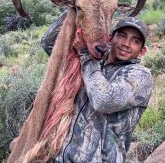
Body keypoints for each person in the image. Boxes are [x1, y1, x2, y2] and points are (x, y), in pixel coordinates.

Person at [41, 15, 153, 163]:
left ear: (142, 51)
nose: (126, 44)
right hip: (61, 157)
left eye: (135, 41)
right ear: (110, 38)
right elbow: (49, 43)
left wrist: (86, 56)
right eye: (121, 35)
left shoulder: (140, 76)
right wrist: (77, 8)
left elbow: (103, 100)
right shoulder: (92, 60)